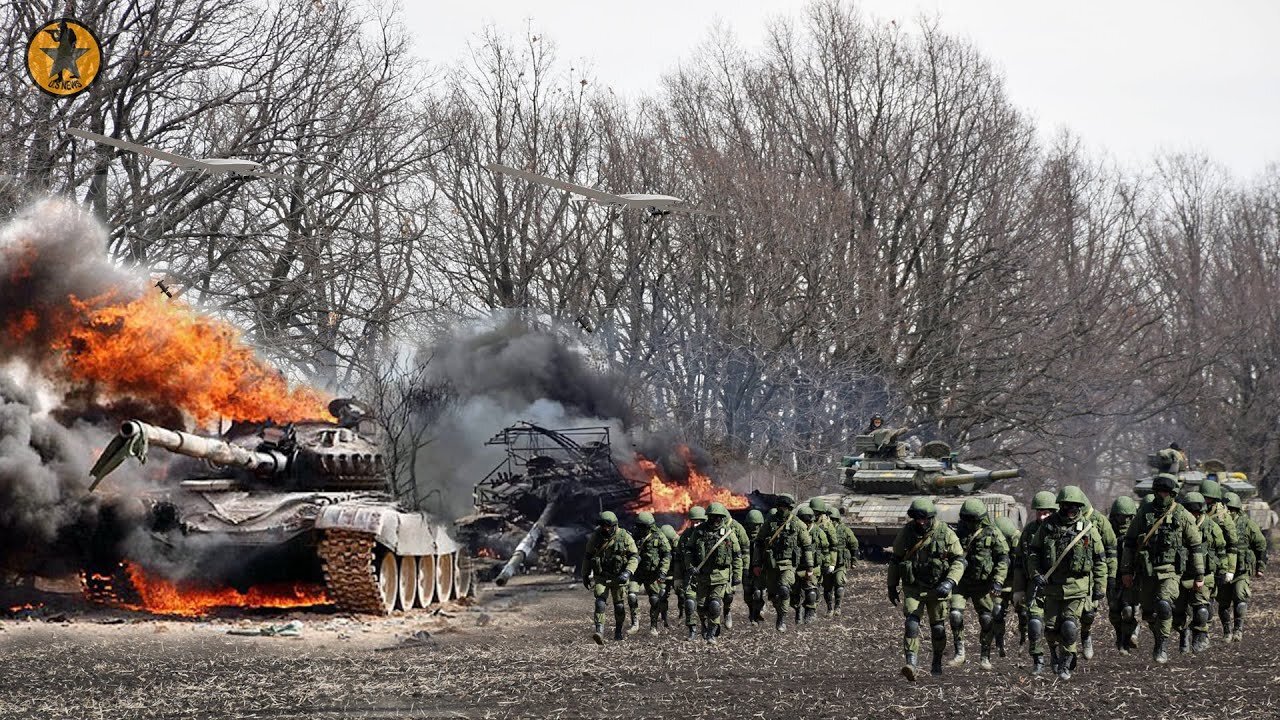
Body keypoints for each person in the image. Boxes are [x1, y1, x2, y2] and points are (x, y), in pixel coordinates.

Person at [1120, 473, 1204, 664]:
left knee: (1164, 605)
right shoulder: (1144, 512)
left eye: (1166, 492)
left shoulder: (1181, 514)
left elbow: (1195, 546)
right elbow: (1130, 542)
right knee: (1149, 613)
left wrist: (1199, 574)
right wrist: (1126, 571)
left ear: (1172, 493)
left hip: (1171, 571)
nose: (1163, 496)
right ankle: (1159, 637)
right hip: (1147, 571)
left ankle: (1162, 646)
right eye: (1159, 492)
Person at [887, 498, 965, 680]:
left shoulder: (945, 532)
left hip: (938, 588)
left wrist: (950, 582)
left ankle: (936, 661)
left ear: (931, 517)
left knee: (937, 628)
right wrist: (891, 585)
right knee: (911, 624)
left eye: (924, 519)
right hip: (913, 587)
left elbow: (958, 560)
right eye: (917, 518)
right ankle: (911, 664)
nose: (921, 522)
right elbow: (896, 560)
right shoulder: (907, 532)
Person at [949, 498, 1009, 670]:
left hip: (983, 585)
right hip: (962, 583)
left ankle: (985, 655)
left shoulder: (992, 533)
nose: (969, 524)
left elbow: (1003, 559)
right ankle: (960, 652)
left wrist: (998, 581)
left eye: (972, 520)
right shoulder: (957, 533)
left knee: (987, 619)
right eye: (966, 519)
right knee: (955, 614)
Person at [1011, 490, 1058, 674]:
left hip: (1057, 587)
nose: (1042, 516)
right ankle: (1038, 659)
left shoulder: (1062, 529)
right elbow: (1019, 563)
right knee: (1034, 624)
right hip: (1034, 586)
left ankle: (1055, 656)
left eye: (1046, 512)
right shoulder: (1028, 532)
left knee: (1056, 626)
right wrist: (1018, 590)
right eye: (1039, 512)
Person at [683, 502, 742, 643]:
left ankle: (712, 632)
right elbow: (689, 550)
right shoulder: (699, 532)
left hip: (720, 575)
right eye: (713, 517)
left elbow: (737, 556)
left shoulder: (728, 533)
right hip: (702, 575)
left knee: (714, 604)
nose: (715, 520)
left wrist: (737, 575)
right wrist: (690, 565)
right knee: (701, 606)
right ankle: (704, 624)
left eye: (718, 517)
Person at [1173, 492, 1224, 654]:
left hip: (1204, 575)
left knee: (1201, 609)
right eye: (1189, 510)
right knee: (1178, 611)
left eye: (1195, 511)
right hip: (1180, 574)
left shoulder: (1211, 526)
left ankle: (1200, 635)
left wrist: (1223, 571)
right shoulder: (1176, 525)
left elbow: (1221, 549)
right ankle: (1183, 635)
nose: (1192, 514)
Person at [755, 493, 814, 632]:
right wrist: (756, 563)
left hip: (788, 564)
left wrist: (809, 566)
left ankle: (782, 619)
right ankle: (780, 610)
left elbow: (807, 546)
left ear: (790, 508)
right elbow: (758, 542)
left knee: (784, 588)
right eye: (780, 506)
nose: (782, 509)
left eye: (785, 507)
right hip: (771, 564)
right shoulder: (770, 521)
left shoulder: (797, 524)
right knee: (774, 595)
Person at [1071, 488, 1116, 661]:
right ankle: (1069, 647)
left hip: (1092, 574)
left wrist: (1108, 578)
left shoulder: (1100, 521)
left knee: (1088, 613)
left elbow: (1110, 551)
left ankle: (1086, 635)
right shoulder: (1065, 520)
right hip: (1071, 576)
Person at [582, 511, 639, 644]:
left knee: (619, 605)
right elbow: (588, 556)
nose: (605, 529)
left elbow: (634, 556)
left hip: (619, 577)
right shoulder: (596, 537)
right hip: (601, 576)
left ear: (615, 525)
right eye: (603, 526)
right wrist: (585, 574)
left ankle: (618, 631)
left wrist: (628, 572)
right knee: (600, 602)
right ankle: (599, 631)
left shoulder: (624, 536)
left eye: (608, 526)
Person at [1219, 491, 1268, 641]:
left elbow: (1261, 544)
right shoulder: (1218, 523)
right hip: (1223, 569)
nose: (1229, 513)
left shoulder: (1247, 524)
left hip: (1241, 570)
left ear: (1237, 509)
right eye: (1227, 509)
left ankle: (1238, 630)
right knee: (1223, 603)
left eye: (1232, 510)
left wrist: (1260, 566)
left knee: (1240, 598)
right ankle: (1227, 631)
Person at [628, 511, 672, 636]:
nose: (640, 529)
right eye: (639, 526)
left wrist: (663, 571)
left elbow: (667, 555)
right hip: (637, 572)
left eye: (642, 527)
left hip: (652, 574)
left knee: (654, 599)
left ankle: (653, 626)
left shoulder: (658, 536)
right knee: (631, 595)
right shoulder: (635, 535)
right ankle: (635, 623)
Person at [1107, 496, 1139, 653]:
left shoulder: (1136, 532)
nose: (1123, 520)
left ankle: (1128, 638)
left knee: (1128, 610)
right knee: (1114, 612)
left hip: (1130, 577)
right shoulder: (1107, 531)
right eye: (1120, 516)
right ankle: (1120, 637)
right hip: (1112, 577)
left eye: (1127, 517)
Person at [672, 506, 706, 640]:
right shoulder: (685, 536)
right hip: (690, 576)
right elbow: (678, 560)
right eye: (694, 522)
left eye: (699, 522)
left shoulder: (710, 535)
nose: (696, 524)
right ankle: (692, 630)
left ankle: (705, 627)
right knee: (690, 603)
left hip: (706, 577)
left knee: (704, 605)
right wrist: (677, 578)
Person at [793, 504, 829, 624]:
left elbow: (825, 549)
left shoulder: (819, 533)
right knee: (795, 592)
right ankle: (798, 612)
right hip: (797, 566)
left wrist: (827, 565)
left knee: (811, 591)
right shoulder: (794, 531)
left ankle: (811, 613)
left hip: (813, 567)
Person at [992, 516, 1020, 658]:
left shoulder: (1019, 540)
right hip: (1001, 584)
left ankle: (1024, 641)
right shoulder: (993, 541)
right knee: (997, 612)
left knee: (1025, 614)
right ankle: (999, 642)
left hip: (1017, 584)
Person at [827, 505, 860, 616]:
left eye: (832, 519)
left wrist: (854, 560)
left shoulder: (844, 530)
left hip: (840, 563)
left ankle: (837, 607)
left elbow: (854, 544)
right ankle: (829, 608)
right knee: (827, 587)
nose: (830, 521)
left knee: (839, 583)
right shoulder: (823, 528)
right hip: (826, 562)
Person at [722, 510, 751, 630]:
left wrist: (744, 569)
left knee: (728, 595)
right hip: (714, 568)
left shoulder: (737, 528)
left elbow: (745, 551)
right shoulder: (710, 527)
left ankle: (727, 611)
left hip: (732, 566)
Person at [742, 509, 767, 623]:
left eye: (756, 525)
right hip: (746, 569)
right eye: (751, 525)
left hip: (759, 568)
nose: (753, 528)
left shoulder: (763, 537)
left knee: (758, 592)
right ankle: (752, 611)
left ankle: (757, 613)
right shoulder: (742, 536)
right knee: (747, 594)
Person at [657, 524, 680, 627]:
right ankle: (664, 617)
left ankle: (682, 615)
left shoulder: (679, 543)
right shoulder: (659, 543)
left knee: (683, 595)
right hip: (664, 574)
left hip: (677, 574)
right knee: (662, 594)